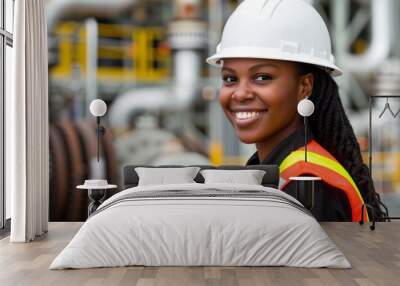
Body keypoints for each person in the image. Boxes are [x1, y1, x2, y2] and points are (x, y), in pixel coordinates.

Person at [206, 0, 386, 221]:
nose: (240, 93)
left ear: (304, 87)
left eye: (262, 77)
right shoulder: (278, 171)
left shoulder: (307, 183)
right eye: (230, 78)